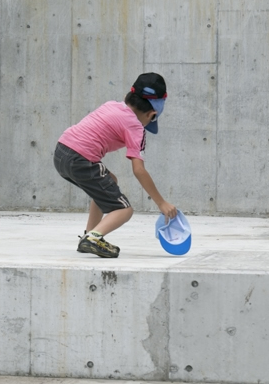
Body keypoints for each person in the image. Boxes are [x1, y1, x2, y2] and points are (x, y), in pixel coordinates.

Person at [53, 73, 177, 258]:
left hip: (61, 152)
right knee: (123, 209)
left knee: (109, 180)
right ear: (152, 114)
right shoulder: (136, 128)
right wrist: (161, 202)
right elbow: (139, 170)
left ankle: (89, 233)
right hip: (81, 159)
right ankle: (93, 238)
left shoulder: (111, 105)